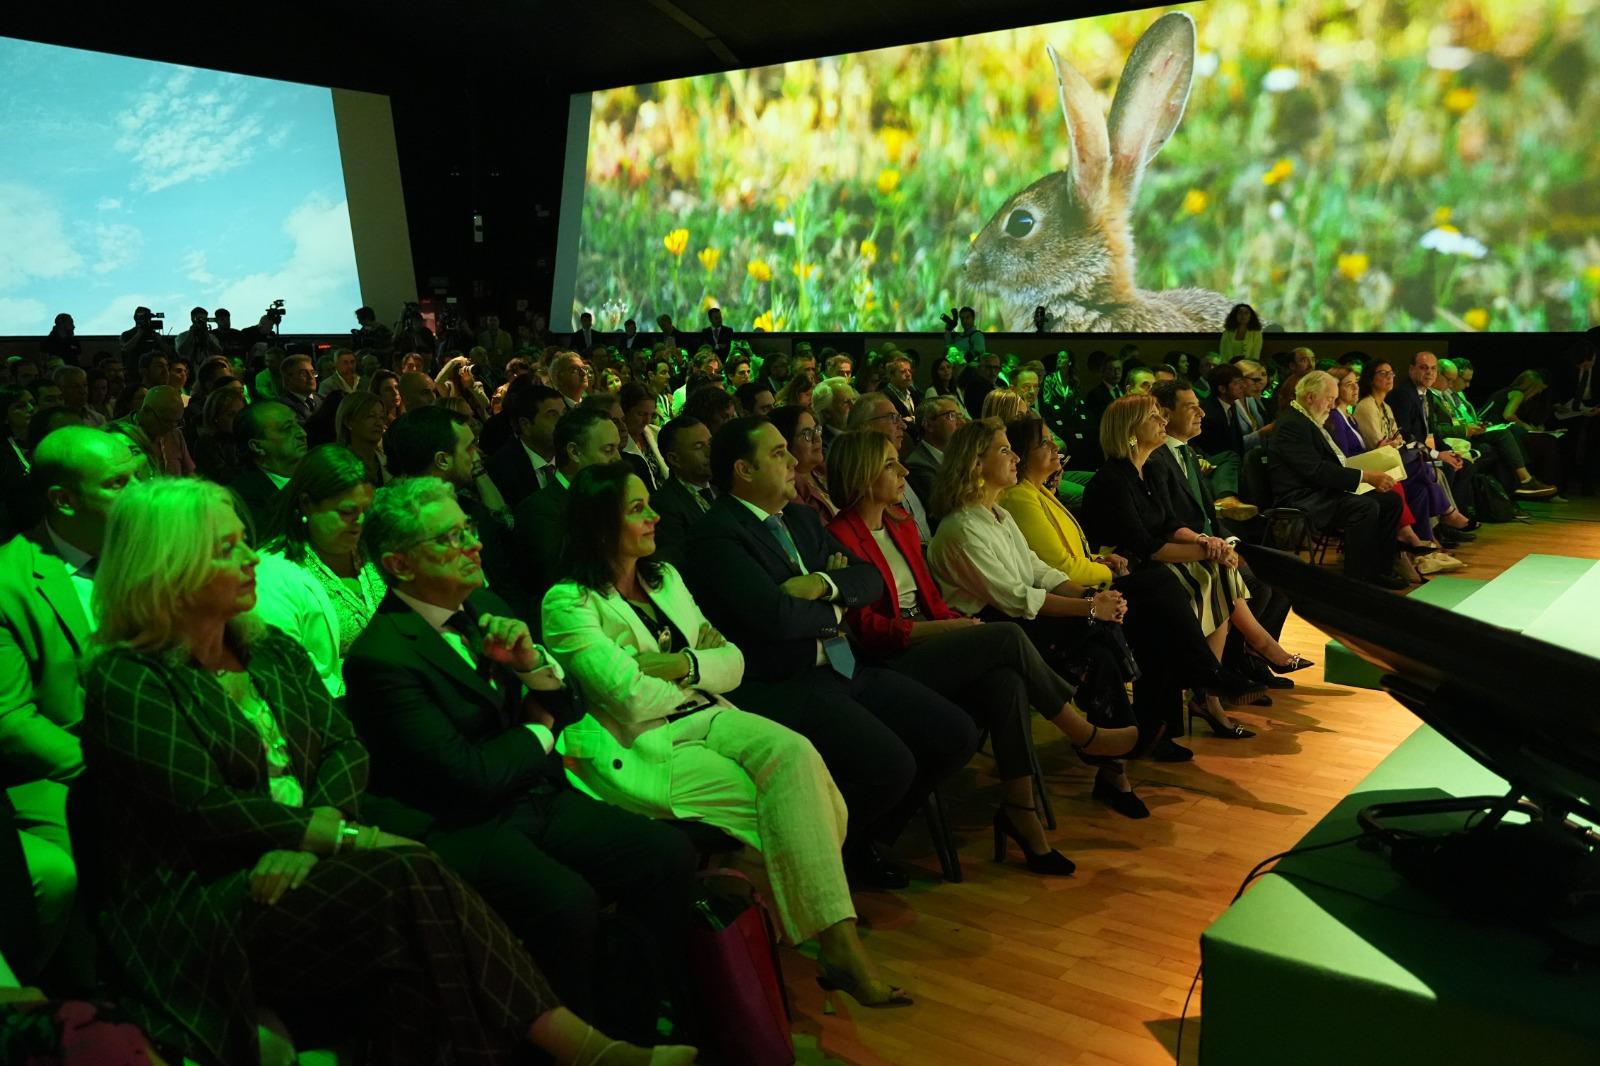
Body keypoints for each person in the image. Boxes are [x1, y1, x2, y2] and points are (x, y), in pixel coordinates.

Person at [83, 476, 689, 1066]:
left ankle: (619, 1032)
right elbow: (202, 809)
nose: (252, 559)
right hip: (207, 890)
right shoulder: (128, 677)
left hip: (307, 853)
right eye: (227, 547)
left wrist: (318, 831)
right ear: (166, 566)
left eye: (246, 538)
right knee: (414, 871)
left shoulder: (268, 648)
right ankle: (584, 1050)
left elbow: (344, 751)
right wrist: (333, 836)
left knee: (650, 856)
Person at [344, 476, 700, 1038]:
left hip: (535, 795)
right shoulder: (380, 657)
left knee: (667, 853)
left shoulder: (483, 604)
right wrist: (538, 728)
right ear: (400, 564)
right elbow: (468, 774)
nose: (473, 545)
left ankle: (656, 1012)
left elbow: (574, 704)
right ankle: (578, 1045)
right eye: (450, 538)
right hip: (465, 826)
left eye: (468, 529)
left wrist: (533, 665)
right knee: (568, 904)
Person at [543, 463, 909, 1007]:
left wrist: (680, 666)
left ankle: (772, 915)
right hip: (642, 744)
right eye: (638, 508)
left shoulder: (663, 578)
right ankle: (836, 944)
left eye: (650, 503)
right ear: (600, 523)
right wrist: (694, 666)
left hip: (709, 712)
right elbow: (629, 699)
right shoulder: (568, 602)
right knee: (800, 809)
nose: (654, 515)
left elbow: (733, 661)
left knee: (799, 757)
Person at [681, 417, 980, 890]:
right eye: (779, 453)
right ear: (743, 469)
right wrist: (837, 610)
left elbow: (869, 579)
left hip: (843, 664)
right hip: (784, 681)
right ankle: (819, 859)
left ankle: (857, 841)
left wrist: (823, 583)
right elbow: (774, 617)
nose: (795, 461)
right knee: (890, 764)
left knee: (955, 734)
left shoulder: (799, 519)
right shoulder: (718, 536)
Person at [829, 429, 1144, 840]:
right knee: (1008, 636)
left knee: (1006, 679)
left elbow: (935, 596)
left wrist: (953, 623)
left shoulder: (900, 524)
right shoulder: (840, 536)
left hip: (937, 633)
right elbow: (867, 630)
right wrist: (948, 626)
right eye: (891, 463)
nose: (904, 468)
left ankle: (1020, 809)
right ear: (862, 475)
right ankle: (1081, 731)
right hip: (892, 657)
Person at [0, 429, 141, 979]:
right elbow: (11, 721)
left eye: (137, 477)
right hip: (65, 771)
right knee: (101, 858)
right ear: (63, 499)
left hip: (161, 743)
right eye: (117, 484)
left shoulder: (150, 554)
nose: (137, 494)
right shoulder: (10, 581)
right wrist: (111, 768)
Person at [252, 446, 386, 698]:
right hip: (337, 709)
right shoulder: (274, 572)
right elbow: (290, 678)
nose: (359, 523)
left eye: (365, 511)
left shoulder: (374, 549)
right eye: (347, 513)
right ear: (307, 504)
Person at [1269, 372, 1407, 589]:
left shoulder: (1307, 419)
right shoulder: (1292, 424)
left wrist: (1365, 476)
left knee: (1390, 501)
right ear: (1311, 397)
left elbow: (1328, 467)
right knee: (1364, 507)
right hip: (1303, 497)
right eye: (1329, 399)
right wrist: (1366, 476)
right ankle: (1355, 581)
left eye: (1334, 400)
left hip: (1320, 490)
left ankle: (1380, 570)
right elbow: (1316, 470)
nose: (1332, 406)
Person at [513, 407, 622, 608]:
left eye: (618, 449)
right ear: (574, 452)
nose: (618, 459)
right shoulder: (539, 512)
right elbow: (561, 582)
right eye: (608, 450)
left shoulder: (617, 498)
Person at [846, 394, 932, 539]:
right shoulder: (859, 486)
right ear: (865, 427)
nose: (903, 425)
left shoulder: (906, 466)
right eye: (893, 418)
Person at [227, 401, 308, 539]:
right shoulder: (241, 502)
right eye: (287, 428)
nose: (302, 433)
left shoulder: (319, 473)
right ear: (257, 446)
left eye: (297, 423)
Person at [648, 416, 715, 567]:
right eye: (698, 446)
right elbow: (685, 564)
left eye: (710, 443)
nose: (709, 452)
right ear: (674, 459)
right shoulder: (663, 506)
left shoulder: (725, 486)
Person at [487, 383, 566, 508]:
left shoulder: (573, 454)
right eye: (552, 415)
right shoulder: (501, 470)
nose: (564, 422)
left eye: (564, 413)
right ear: (525, 425)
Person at [771, 404, 839, 522]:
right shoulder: (790, 491)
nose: (817, 438)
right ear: (786, 443)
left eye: (817, 430)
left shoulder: (825, 470)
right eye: (807, 434)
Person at [109, 385, 194, 478]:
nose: (171, 428)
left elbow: (189, 474)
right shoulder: (116, 434)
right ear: (146, 411)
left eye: (177, 422)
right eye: (166, 421)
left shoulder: (175, 434)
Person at [903, 396, 965, 506]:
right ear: (929, 425)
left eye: (960, 416)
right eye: (952, 416)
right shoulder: (918, 464)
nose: (962, 422)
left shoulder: (959, 454)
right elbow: (950, 505)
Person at [334, 390, 389, 488]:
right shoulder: (337, 467)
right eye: (370, 416)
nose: (379, 423)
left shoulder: (387, 462)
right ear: (349, 422)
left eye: (381, 417)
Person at [193, 387, 247, 484]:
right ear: (215, 417)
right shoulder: (207, 443)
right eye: (231, 414)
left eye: (241, 412)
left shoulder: (248, 438)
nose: (238, 418)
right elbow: (224, 477)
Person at [811, 377, 858, 455]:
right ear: (826, 413)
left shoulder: (861, 434)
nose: (853, 406)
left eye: (854, 400)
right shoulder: (822, 446)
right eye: (845, 402)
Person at [277, 354, 322, 427]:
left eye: (313, 372)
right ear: (288, 379)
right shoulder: (283, 406)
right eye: (303, 373)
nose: (311, 377)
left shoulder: (321, 399)